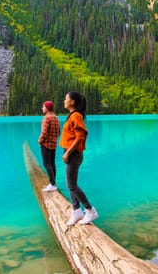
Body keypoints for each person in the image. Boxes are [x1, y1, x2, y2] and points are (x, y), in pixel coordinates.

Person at [59, 91, 98, 225]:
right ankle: (77, 211)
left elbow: (80, 136)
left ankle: (90, 210)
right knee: (70, 184)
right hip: (71, 153)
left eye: (66, 99)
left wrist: (67, 153)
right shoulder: (72, 115)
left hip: (73, 154)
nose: (64, 101)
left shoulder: (76, 116)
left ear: (72, 102)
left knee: (72, 185)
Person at [38, 101, 60, 192]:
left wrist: (39, 141)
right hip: (53, 144)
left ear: (47, 108)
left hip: (46, 144)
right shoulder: (56, 117)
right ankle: (53, 183)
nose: (42, 108)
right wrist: (54, 139)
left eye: (43, 107)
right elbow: (58, 132)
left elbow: (44, 132)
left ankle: (52, 184)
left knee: (47, 164)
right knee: (52, 163)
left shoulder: (46, 118)